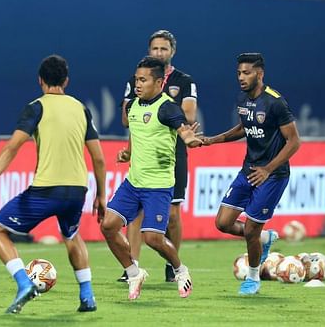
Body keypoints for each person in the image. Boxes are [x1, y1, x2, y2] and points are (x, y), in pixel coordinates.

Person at [0, 55, 106, 314]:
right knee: (71, 235)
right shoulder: (81, 108)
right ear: (66, 80)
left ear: (40, 81)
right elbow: (99, 158)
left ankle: (24, 283)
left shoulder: (36, 107)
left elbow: (12, 147)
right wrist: (101, 195)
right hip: (78, 190)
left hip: (46, 189)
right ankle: (87, 295)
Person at [101, 56, 202, 300]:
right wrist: (128, 152)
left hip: (158, 186)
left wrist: (189, 139)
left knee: (153, 239)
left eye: (143, 80)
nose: (138, 84)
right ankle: (133, 272)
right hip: (133, 182)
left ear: (158, 83)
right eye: (137, 79)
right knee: (108, 226)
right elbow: (136, 133)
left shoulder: (168, 107)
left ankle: (180, 270)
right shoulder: (134, 105)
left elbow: (182, 130)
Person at [202, 53, 301, 295]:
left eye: (246, 73)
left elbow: (294, 141)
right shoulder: (243, 99)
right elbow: (244, 127)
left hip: (273, 176)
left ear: (260, 73)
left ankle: (253, 278)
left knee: (250, 230)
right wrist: (214, 140)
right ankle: (266, 238)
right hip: (248, 170)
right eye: (239, 73)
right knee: (222, 223)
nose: (241, 78)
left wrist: (269, 169)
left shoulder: (275, 102)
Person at [118, 30, 198, 282]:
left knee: (173, 215)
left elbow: (188, 115)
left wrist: (170, 117)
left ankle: (171, 265)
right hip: (143, 153)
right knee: (134, 214)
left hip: (170, 154)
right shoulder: (137, 80)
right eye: (155, 49)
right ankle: (132, 267)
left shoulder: (184, 81)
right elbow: (127, 118)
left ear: (172, 52)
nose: (159, 53)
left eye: (164, 49)